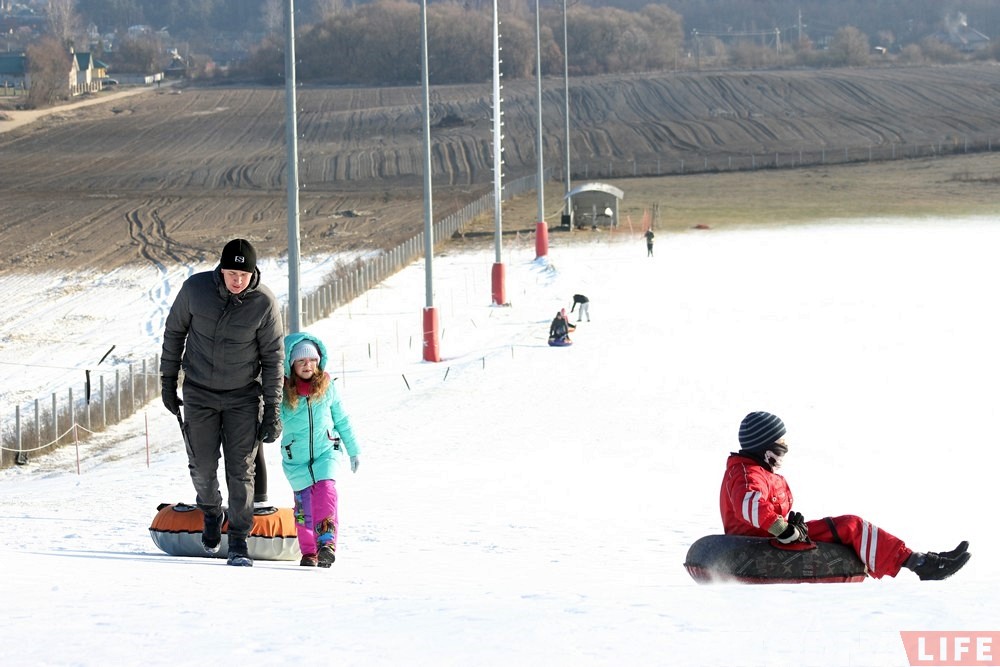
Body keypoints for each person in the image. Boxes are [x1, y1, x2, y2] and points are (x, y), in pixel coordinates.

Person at [720, 411, 970, 581]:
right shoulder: (746, 473)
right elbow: (749, 504)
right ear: (764, 447)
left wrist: (789, 527)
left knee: (848, 527)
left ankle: (922, 560)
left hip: (771, 537)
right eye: (780, 445)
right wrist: (782, 529)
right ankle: (921, 564)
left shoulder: (757, 472)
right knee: (851, 526)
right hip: (758, 542)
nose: (784, 450)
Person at [160, 238, 284, 567]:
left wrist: (272, 409)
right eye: (231, 274)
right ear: (221, 270)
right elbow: (174, 333)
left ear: (253, 273)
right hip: (199, 393)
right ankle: (212, 513)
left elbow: (274, 359)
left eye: (243, 275)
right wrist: (168, 381)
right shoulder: (195, 290)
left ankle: (239, 539)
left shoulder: (264, 303)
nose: (237, 280)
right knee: (201, 466)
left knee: (241, 471)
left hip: (243, 397)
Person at [280, 333, 361, 568]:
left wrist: (353, 450)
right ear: (291, 365)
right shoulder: (282, 392)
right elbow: (272, 420)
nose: (308, 365)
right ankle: (309, 552)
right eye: (301, 361)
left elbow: (342, 419)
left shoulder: (327, 387)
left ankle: (326, 544)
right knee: (304, 509)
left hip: (327, 451)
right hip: (296, 459)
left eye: (312, 360)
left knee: (326, 492)